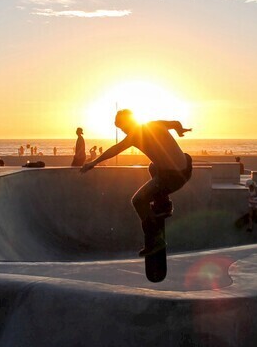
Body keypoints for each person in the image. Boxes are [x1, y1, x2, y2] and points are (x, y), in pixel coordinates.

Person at [81, 109, 192, 256]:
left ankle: (156, 239)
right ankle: (164, 203)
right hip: (187, 167)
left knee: (138, 201)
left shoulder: (133, 136)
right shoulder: (155, 124)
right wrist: (180, 130)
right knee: (153, 166)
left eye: (123, 128)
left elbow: (114, 149)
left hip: (173, 178)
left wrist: (93, 162)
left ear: (129, 123)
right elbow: (176, 123)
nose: (124, 132)